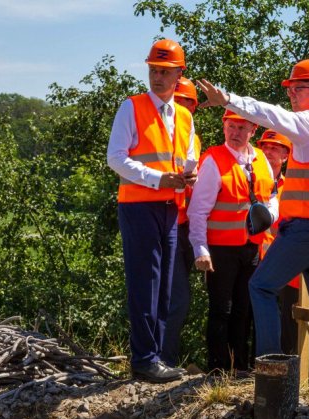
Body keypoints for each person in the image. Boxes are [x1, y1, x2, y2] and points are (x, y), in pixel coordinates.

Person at [197, 59, 309, 384]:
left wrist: (228, 100)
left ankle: (273, 374)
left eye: (297, 89)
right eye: (291, 89)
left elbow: (271, 115)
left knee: (261, 286)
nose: (292, 95)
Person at [106, 39, 197, 383]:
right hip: (139, 206)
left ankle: (156, 356)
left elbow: (188, 157)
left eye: (164, 72)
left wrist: (190, 173)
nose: (157, 77)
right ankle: (144, 359)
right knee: (146, 282)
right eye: (153, 70)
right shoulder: (131, 107)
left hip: (170, 207)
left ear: (178, 75)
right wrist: (160, 179)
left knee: (164, 287)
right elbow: (116, 158)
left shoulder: (184, 115)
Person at [188, 110, 277, 373]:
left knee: (244, 308)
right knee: (221, 310)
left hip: (251, 247)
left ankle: (240, 367)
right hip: (220, 250)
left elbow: (271, 196)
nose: (235, 133)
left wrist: (270, 215)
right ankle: (217, 369)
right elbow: (198, 210)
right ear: (224, 127)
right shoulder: (214, 160)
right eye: (230, 126)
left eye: (241, 128)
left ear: (253, 131)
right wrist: (200, 249)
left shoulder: (261, 159)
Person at [162, 77, 202, 368]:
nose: (183, 108)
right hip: (165, 223)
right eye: (179, 101)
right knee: (176, 298)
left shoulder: (191, 137)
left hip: (185, 225)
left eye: (188, 104)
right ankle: (162, 359)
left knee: (175, 297)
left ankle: (166, 358)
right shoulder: (159, 133)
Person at [255, 130, 300, 356]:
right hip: (252, 259)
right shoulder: (250, 179)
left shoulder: (291, 187)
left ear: (286, 156)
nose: (268, 151)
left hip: (283, 265)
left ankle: (283, 368)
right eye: (265, 147)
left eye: (275, 148)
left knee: (287, 320)